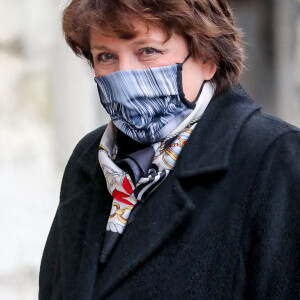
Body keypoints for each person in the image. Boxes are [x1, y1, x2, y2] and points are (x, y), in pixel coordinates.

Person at [39, 0, 300, 299]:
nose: (125, 74)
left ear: (207, 57)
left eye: (147, 51)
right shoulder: (89, 159)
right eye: (106, 56)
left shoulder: (274, 158)